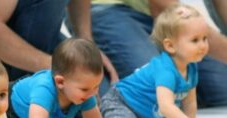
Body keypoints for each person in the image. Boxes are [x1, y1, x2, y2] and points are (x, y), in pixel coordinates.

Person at [64, 4, 216, 118]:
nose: (203, 45)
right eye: (195, 40)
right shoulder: (166, 70)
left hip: (147, 109)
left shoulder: (191, 68)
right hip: (122, 101)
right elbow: (166, 107)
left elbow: (189, 103)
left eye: (205, 38)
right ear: (170, 45)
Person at [8, 38, 124, 118]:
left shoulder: (87, 94)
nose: (92, 93)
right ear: (60, 82)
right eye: (85, 89)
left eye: (97, 86)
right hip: (9, 111)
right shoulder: (44, 88)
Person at [0, 0, 118, 82]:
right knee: (73, 82)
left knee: (94, 88)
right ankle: (19, 105)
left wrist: (86, 46)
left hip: (20, 22)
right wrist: (58, 68)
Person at [90, 0, 227, 107]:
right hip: (108, 8)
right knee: (154, 88)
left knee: (222, 89)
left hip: (162, 14)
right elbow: (161, 6)